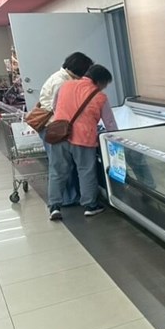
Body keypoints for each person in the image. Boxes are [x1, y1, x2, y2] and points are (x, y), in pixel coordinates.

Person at [47, 64, 117, 220]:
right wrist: (118, 138)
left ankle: (54, 206)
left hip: (60, 135)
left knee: (57, 171)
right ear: (100, 81)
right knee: (85, 171)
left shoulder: (65, 86)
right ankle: (90, 206)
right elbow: (110, 124)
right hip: (84, 138)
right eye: (105, 84)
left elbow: (54, 107)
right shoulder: (100, 97)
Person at [40, 52, 93, 205]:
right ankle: (67, 199)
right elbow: (59, 108)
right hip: (56, 129)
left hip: (54, 127)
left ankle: (64, 200)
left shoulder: (61, 78)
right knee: (60, 167)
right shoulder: (61, 82)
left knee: (60, 166)